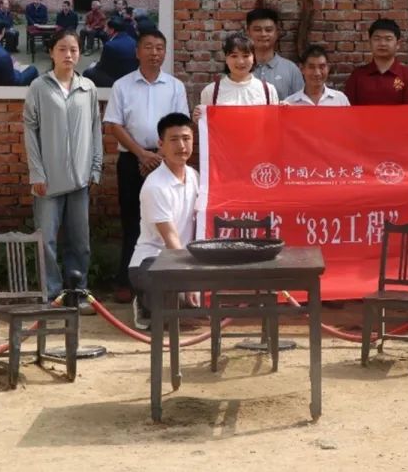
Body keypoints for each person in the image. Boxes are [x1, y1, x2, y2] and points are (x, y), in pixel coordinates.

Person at [104, 27, 189, 303]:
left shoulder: (175, 86)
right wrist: (142, 155)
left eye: (159, 48)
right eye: (149, 47)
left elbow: (180, 126)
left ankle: (167, 278)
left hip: (166, 161)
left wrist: (159, 156)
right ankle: (126, 280)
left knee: (168, 221)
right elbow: (114, 124)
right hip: (133, 160)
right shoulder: (122, 85)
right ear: (137, 52)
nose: (154, 53)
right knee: (132, 221)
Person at [23, 29, 103, 311]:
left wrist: (95, 168)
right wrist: (36, 172)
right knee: (46, 240)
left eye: (73, 50)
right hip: (48, 180)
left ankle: (77, 293)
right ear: (51, 52)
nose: (68, 55)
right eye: (62, 49)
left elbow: (95, 129)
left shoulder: (88, 88)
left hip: (80, 179)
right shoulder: (39, 87)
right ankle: (51, 295)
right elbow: (30, 131)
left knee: (80, 242)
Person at [128, 112, 200, 330]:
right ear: (161, 144)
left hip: (183, 259)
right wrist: (188, 282)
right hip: (151, 262)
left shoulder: (194, 177)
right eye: (174, 139)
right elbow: (171, 239)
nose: (181, 146)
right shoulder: (155, 186)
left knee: (202, 300)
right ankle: (144, 302)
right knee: (174, 302)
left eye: (186, 139)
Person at [344, 18, 408, 105]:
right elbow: (348, 109)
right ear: (370, 43)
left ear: (398, 44)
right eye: (377, 39)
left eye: (388, 39)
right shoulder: (357, 76)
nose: (382, 43)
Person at [198, 32, 279, 107]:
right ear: (226, 58)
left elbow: (274, 118)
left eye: (246, 56)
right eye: (234, 56)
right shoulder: (211, 92)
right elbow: (205, 118)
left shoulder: (268, 91)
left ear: (253, 58)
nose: (240, 62)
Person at [246, 7, 304, 101]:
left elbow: (301, 104)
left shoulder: (291, 70)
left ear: (277, 32)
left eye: (268, 30)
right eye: (257, 30)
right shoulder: (239, 68)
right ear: (248, 32)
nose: (263, 34)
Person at [283, 45, 350, 106]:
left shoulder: (340, 100)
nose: (317, 73)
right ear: (302, 69)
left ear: (328, 68)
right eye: (311, 67)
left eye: (322, 67)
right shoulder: (290, 103)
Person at [84, 17, 138, 87]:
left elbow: (102, 67)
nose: (105, 29)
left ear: (112, 30)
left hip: (117, 79)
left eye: (106, 27)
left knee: (88, 72)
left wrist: (94, 65)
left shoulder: (110, 45)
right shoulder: (133, 41)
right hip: (132, 76)